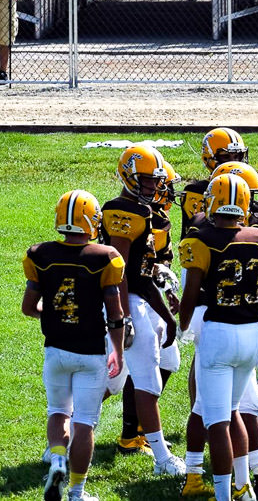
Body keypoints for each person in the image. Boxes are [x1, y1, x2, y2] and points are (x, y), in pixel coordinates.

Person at [178, 174, 258, 501]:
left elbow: (191, 294)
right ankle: (245, 487)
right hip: (252, 335)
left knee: (217, 421)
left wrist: (182, 328)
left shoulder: (202, 238)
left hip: (218, 334)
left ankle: (224, 495)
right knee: (235, 410)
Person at [23, 190, 127, 501]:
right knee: (84, 422)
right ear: (91, 220)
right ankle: (77, 492)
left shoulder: (39, 254)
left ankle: (57, 460)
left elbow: (29, 307)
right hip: (90, 351)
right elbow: (116, 313)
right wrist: (119, 350)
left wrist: (53, 313)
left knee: (57, 411)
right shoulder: (105, 257)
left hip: (55, 349)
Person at [99, 145, 187, 476]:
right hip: (127, 302)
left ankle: (69, 426)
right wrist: (120, 317)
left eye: (156, 180)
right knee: (146, 382)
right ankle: (162, 458)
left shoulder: (145, 211)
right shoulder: (124, 211)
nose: (154, 186)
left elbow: (143, 271)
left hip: (141, 299)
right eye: (147, 180)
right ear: (129, 175)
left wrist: (166, 311)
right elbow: (118, 271)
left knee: (165, 362)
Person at [182, 128, 251, 231]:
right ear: (207, 159)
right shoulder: (196, 191)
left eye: (238, 156)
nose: (233, 162)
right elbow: (202, 228)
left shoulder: (248, 184)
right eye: (226, 157)